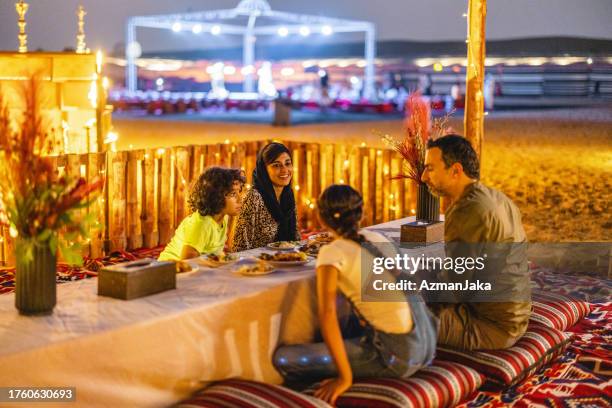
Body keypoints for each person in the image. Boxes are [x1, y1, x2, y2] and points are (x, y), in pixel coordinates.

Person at [273, 185, 437, 405]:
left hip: (396, 356)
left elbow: (327, 315)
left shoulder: (332, 252)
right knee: (351, 314)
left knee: (285, 358)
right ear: (362, 213)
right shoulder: (377, 238)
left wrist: (344, 377)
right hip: (427, 344)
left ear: (322, 218)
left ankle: (315, 388)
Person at [421, 134, 531, 350]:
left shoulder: (467, 211)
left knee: (395, 314)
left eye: (430, 168)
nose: (424, 176)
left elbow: (453, 290)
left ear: (456, 171)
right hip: (516, 314)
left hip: (490, 325)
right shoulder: (497, 198)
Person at [158, 167, 245, 261]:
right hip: (171, 269)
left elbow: (215, 251)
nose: (240, 199)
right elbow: (188, 260)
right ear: (216, 196)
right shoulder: (202, 224)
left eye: (239, 191)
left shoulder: (223, 217)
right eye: (232, 194)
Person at [232, 142, 299, 251]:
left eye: (287, 163)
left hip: (288, 261)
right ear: (264, 170)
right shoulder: (254, 197)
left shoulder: (288, 196)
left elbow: (295, 240)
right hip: (259, 265)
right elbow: (240, 247)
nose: (284, 170)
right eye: (276, 165)